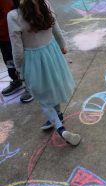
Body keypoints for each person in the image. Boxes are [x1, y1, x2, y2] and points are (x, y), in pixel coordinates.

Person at [7, 0, 81, 145]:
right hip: (51, 52)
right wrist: (62, 45)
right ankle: (57, 115)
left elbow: (17, 48)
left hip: (32, 58)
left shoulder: (14, 15)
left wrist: (18, 67)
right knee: (54, 86)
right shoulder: (44, 3)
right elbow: (55, 27)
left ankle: (61, 129)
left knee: (42, 96)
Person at [0, 0, 33, 103]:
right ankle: (16, 80)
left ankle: (31, 86)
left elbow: (8, 15)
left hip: (10, 34)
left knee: (21, 60)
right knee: (9, 61)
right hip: (2, 37)